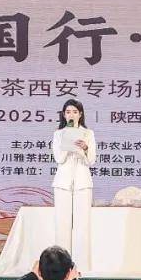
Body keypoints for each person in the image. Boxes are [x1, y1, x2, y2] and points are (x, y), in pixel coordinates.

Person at [52, 99, 96, 271]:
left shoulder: (88, 133)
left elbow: (91, 160)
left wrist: (84, 148)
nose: (71, 115)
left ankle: (81, 267)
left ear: (80, 114)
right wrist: (68, 144)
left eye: (75, 112)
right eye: (68, 112)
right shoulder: (58, 134)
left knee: (82, 225)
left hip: (83, 182)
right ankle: (60, 266)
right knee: (62, 224)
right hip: (62, 182)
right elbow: (59, 158)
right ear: (64, 115)